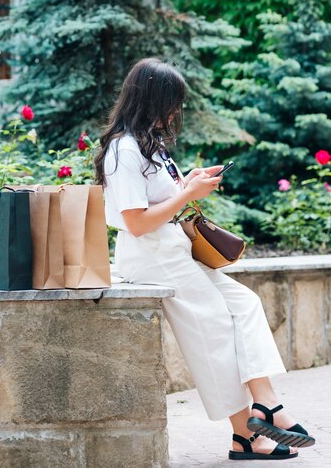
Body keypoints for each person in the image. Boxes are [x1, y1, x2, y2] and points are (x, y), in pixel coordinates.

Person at [95, 58, 315, 461]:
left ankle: (266, 407)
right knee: (214, 329)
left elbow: (160, 197)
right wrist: (187, 195)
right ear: (150, 99)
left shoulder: (147, 143)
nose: (175, 112)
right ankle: (245, 435)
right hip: (150, 256)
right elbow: (137, 222)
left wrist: (189, 180)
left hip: (172, 250)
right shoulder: (123, 149)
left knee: (245, 305)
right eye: (171, 102)